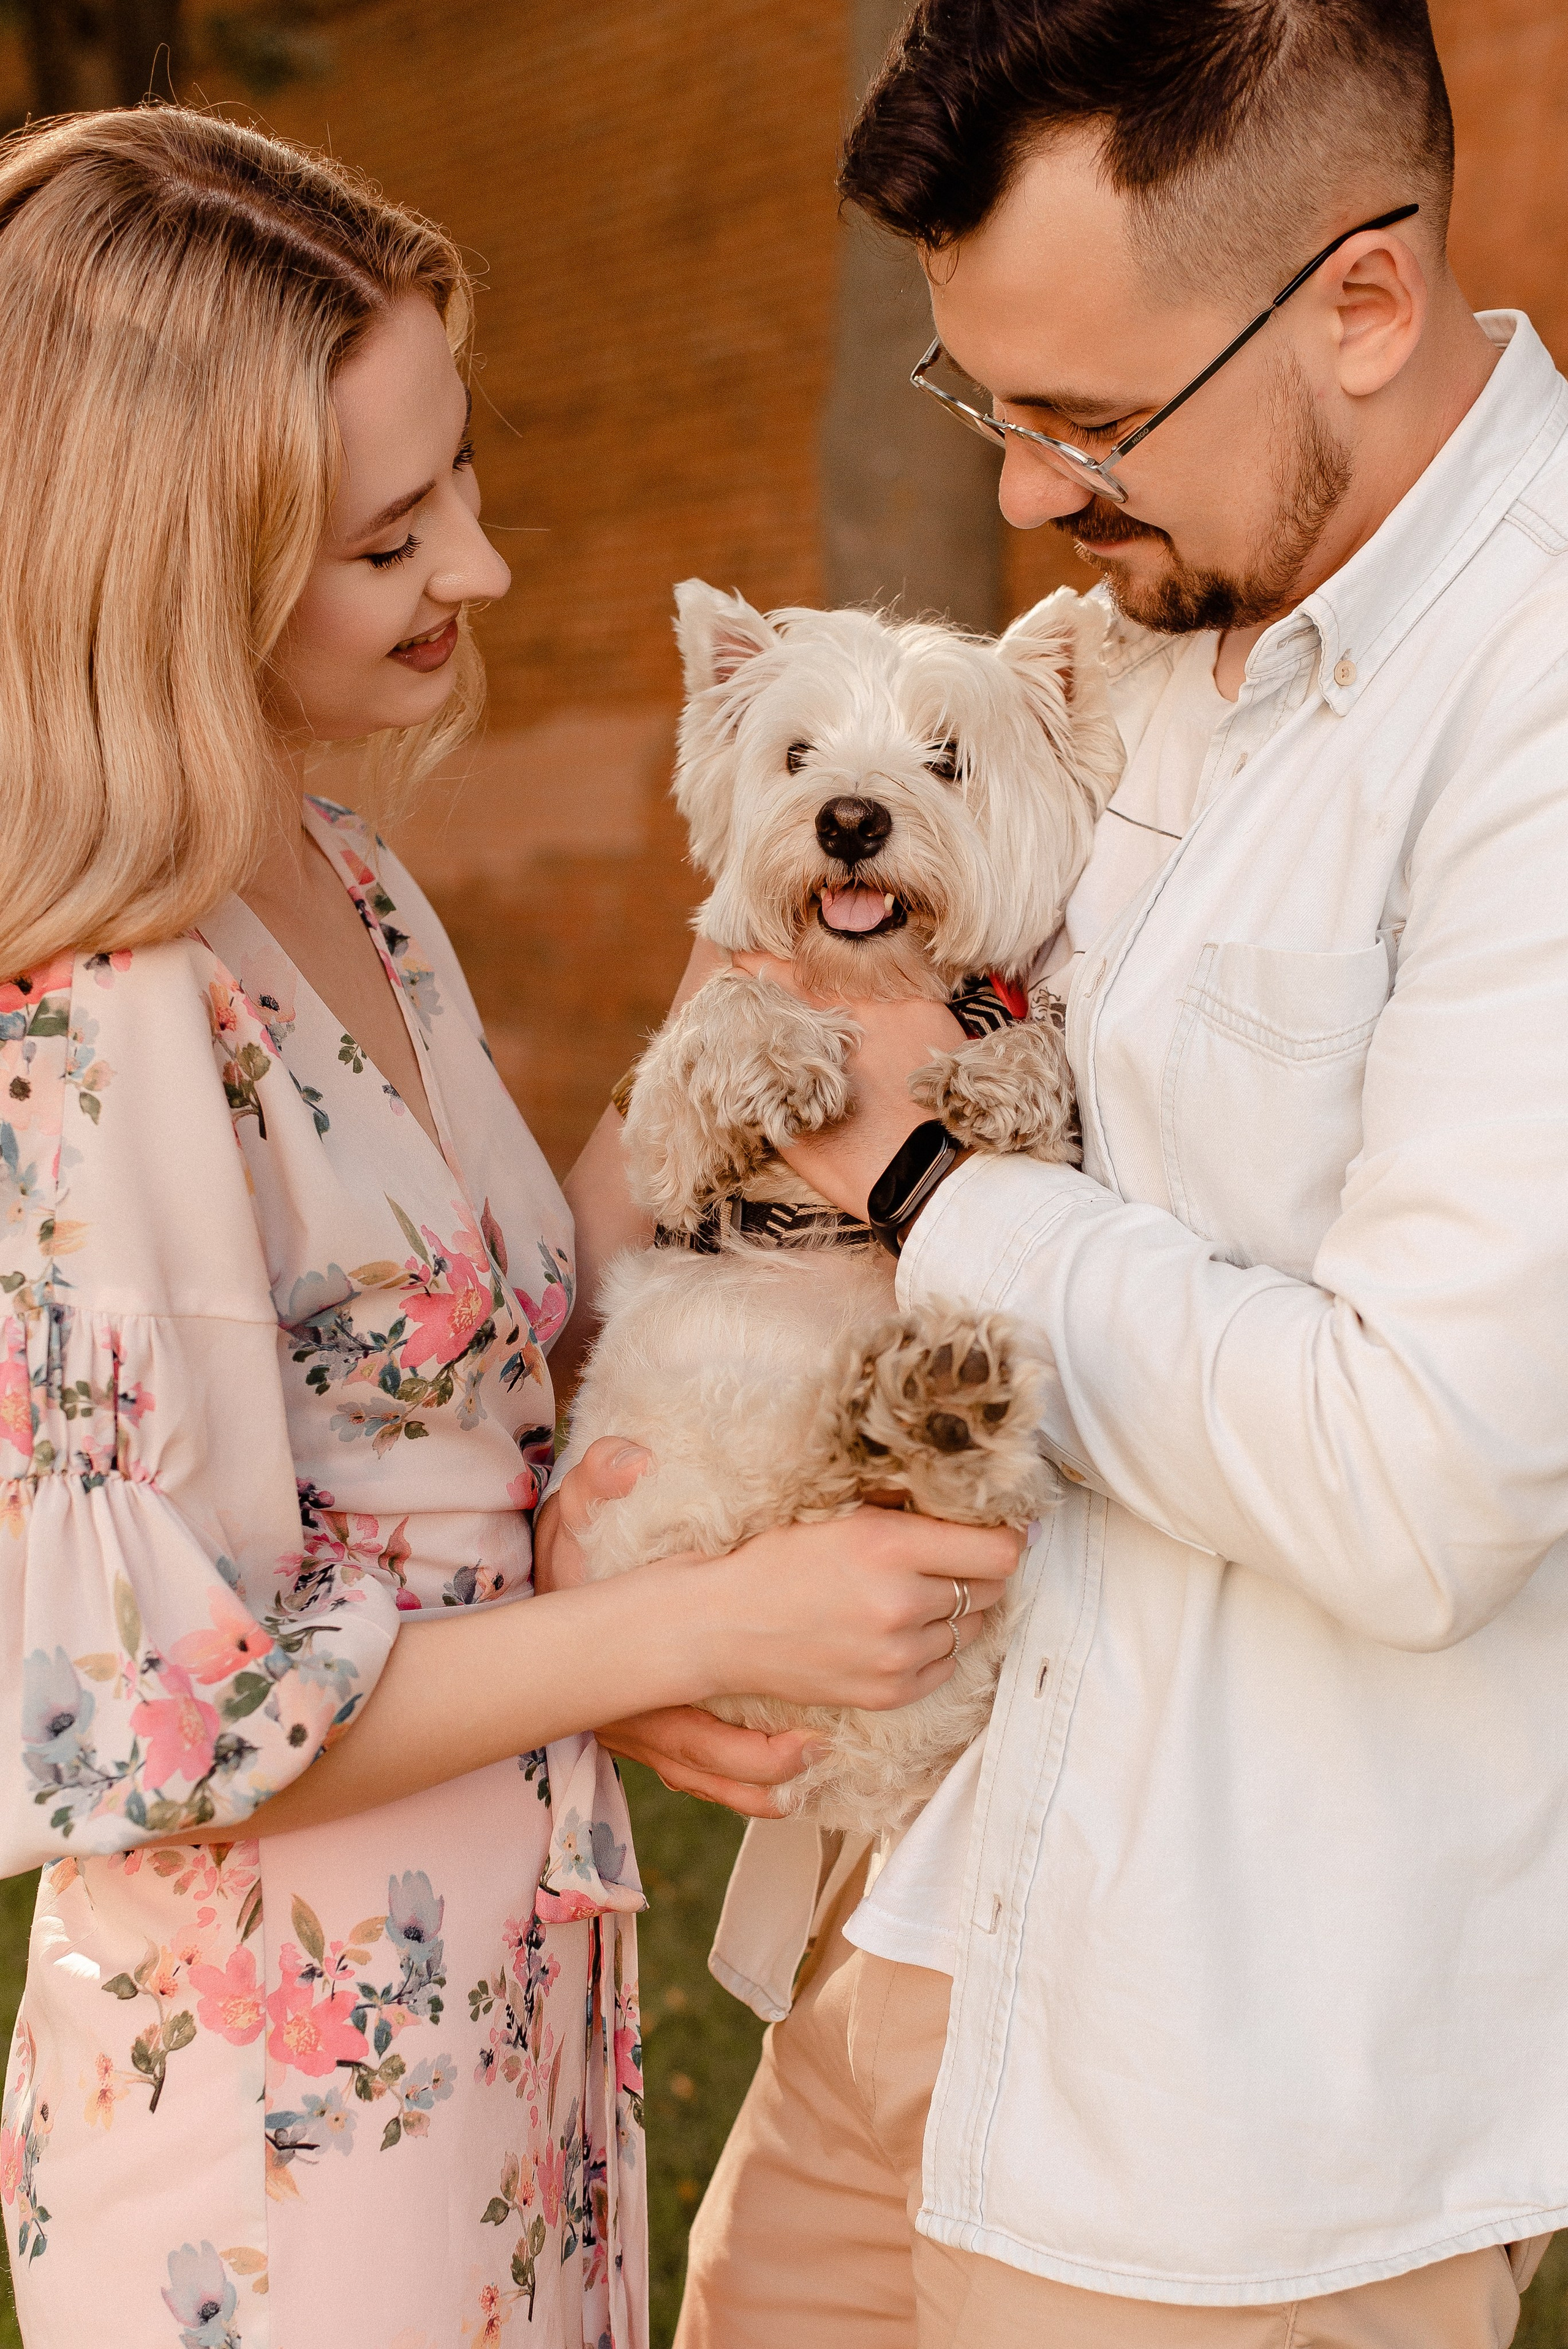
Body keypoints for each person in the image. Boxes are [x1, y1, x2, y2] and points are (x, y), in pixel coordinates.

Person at [562, 1, 1568, 2342]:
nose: (1025, 498)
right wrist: (615, 1580)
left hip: (1237, 2094)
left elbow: (1423, 1473)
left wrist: (925, 1175)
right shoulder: (1120, 634)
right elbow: (763, 994)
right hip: (914, 1921)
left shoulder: (1527, 698)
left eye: (1091, 421)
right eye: (986, 405)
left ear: (1362, 298)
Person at [0, 107, 1019, 2349]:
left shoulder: (345, 879)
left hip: (509, 1996)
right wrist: (707, 1621)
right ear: (179, 565)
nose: (477, 562)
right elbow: (144, 1715)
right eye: (392, 537)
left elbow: (482, 1329)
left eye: (460, 472)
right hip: (282, 2108)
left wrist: (753, 1007)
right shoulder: (102, 1004)